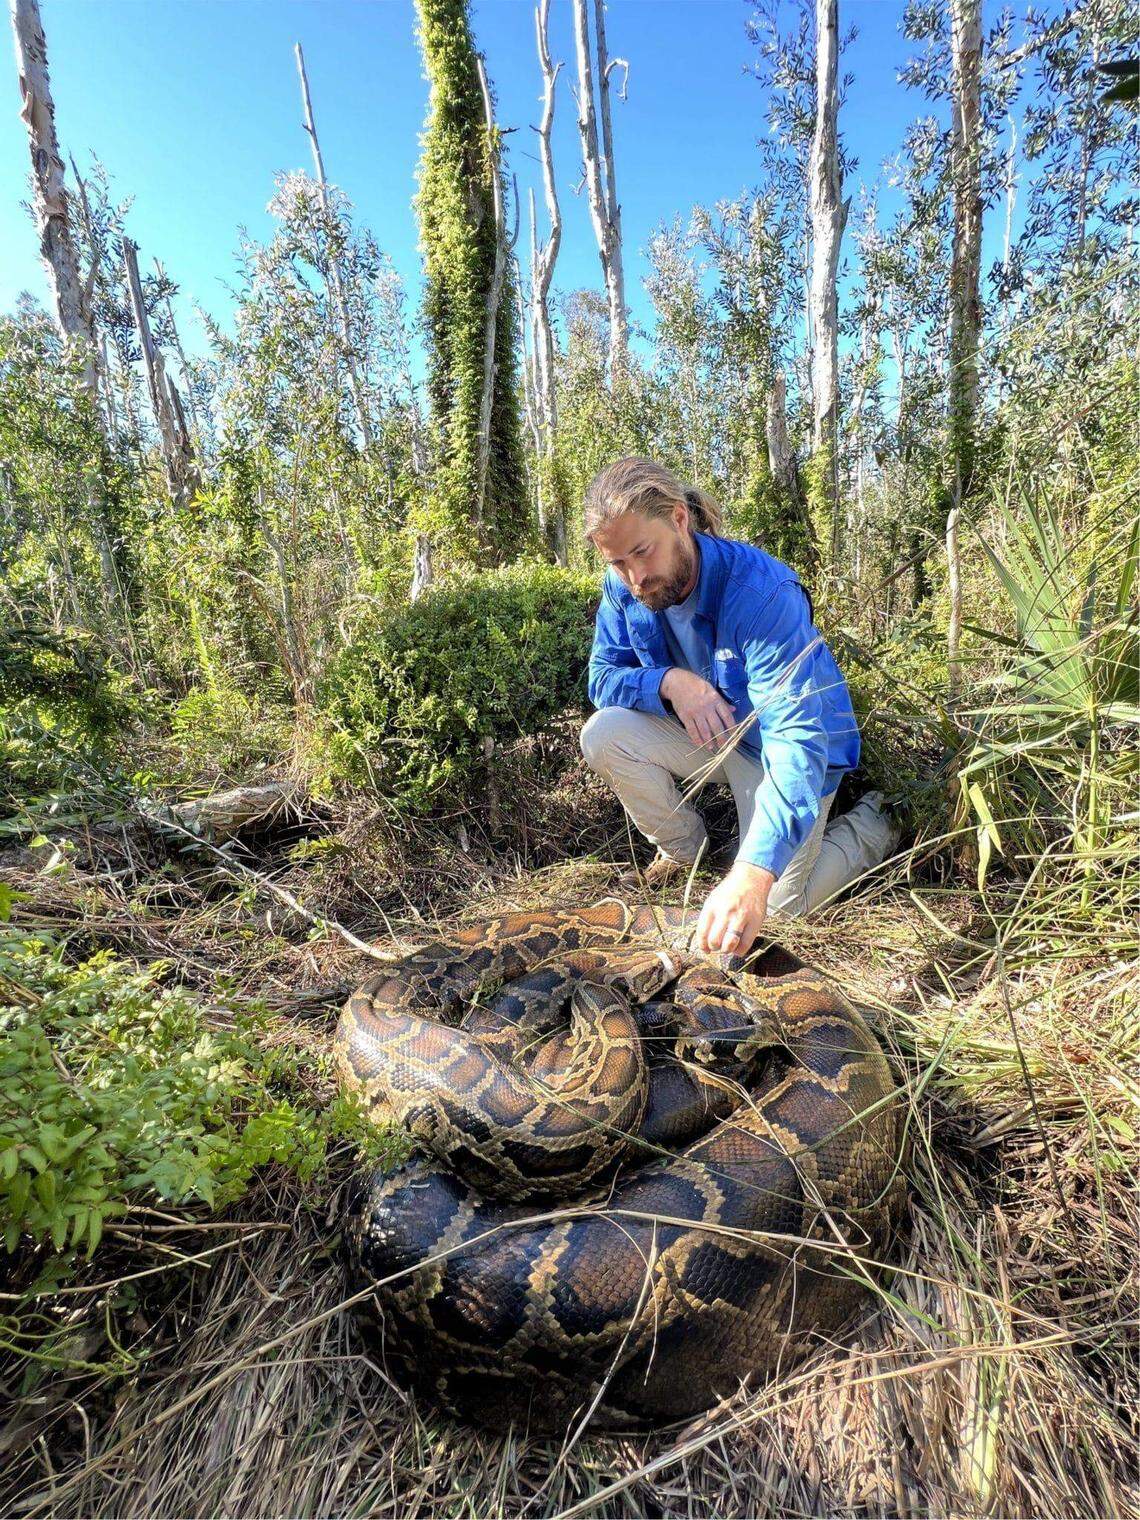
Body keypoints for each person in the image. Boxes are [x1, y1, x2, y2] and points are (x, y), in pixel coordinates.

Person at [580, 456, 899, 958]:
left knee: (771, 915)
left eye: (643, 552)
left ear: (680, 520)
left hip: (778, 753)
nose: (636, 577)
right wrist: (670, 681)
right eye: (618, 563)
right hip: (711, 736)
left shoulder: (761, 592)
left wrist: (752, 875)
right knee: (603, 733)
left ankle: (879, 820)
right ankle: (687, 851)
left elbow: (796, 739)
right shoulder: (623, 588)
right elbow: (602, 678)